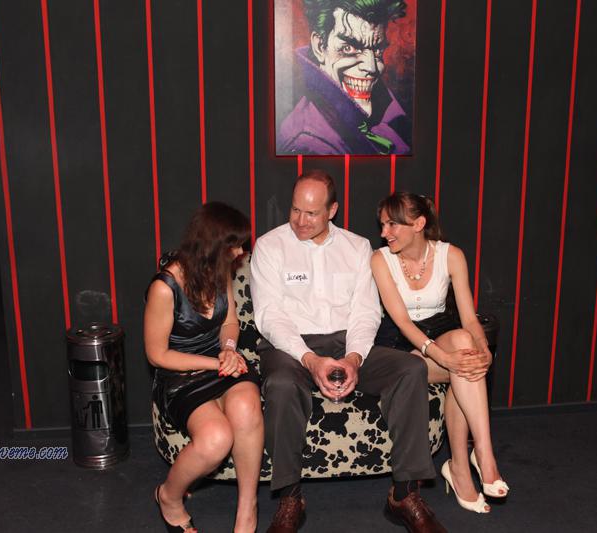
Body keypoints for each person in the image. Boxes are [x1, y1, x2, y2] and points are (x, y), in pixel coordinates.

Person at [250, 170, 447, 533]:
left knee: (410, 369)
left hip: (348, 342)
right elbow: (269, 315)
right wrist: (310, 359)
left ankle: (404, 495)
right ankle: (291, 498)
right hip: (290, 345)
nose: (300, 220)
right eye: (295, 210)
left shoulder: (356, 248)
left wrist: (354, 359)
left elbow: (366, 312)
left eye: (311, 213)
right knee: (280, 384)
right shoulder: (269, 246)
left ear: (332, 210)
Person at [371, 192, 508, 514]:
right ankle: (471, 461)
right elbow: (403, 322)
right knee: (463, 364)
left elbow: (469, 318)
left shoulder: (451, 255)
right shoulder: (380, 259)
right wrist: (444, 358)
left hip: (443, 335)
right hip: (400, 347)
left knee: (464, 343)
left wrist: (483, 350)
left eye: (392, 225)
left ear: (418, 224)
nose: (384, 232)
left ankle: (475, 457)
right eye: (382, 225)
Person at [144, 202, 263, 533]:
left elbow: (230, 322)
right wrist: (216, 362)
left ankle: (247, 506)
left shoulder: (219, 269)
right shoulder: (165, 287)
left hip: (220, 360)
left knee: (246, 407)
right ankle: (169, 497)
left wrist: (228, 350)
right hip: (180, 374)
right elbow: (157, 355)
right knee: (215, 439)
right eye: (235, 245)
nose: (241, 253)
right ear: (213, 245)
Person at [277, 0, 412, 155]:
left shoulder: (386, 115)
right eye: (348, 48)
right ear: (320, 47)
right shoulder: (308, 144)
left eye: (377, 51)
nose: (372, 67)